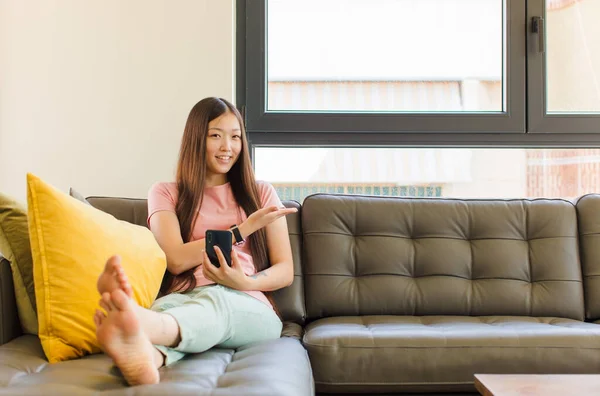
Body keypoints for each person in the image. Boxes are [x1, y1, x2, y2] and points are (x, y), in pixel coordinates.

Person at [94, 97, 297, 386]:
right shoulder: (165, 193)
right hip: (184, 295)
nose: (228, 147)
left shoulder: (261, 193)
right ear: (196, 139)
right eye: (216, 135)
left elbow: (285, 270)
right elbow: (175, 259)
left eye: (235, 137)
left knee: (217, 302)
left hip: (248, 302)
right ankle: (148, 358)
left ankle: (139, 322)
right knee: (171, 309)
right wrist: (241, 230)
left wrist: (245, 283)